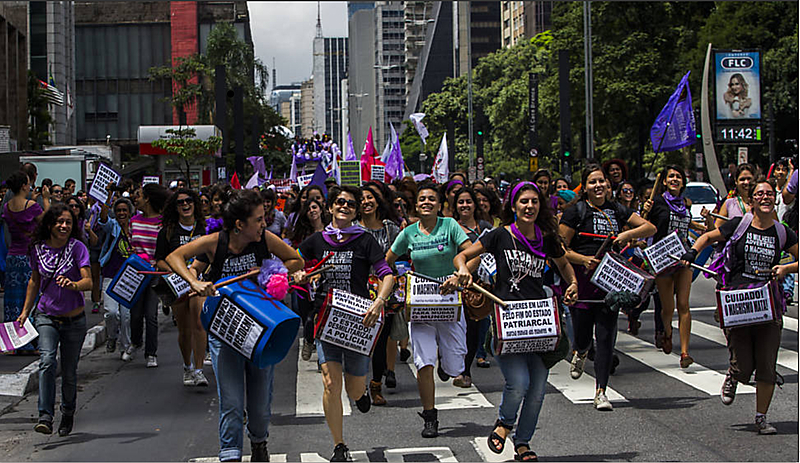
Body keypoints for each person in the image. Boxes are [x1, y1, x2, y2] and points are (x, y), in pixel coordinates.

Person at [166, 189, 304, 462]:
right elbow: (174, 258)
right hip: (225, 330)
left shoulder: (265, 239)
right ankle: (230, 453)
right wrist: (194, 282)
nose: (264, 224)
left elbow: (295, 259)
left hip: (261, 328)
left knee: (260, 400)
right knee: (231, 401)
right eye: (258, 219)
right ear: (240, 224)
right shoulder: (215, 242)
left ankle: (259, 443)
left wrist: (274, 272)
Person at [454, 181, 578, 462]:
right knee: (518, 383)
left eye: (534, 201)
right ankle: (504, 423)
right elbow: (462, 256)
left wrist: (573, 284)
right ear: (513, 205)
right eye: (524, 201)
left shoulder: (546, 238)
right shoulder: (499, 236)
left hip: (538, 323)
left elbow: (564, 265)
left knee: (537, 390)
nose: (530, 206)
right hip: (506, 322)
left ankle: (523, 443)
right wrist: (462, 271)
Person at [685, 179, 797, 434]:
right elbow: (707, 237)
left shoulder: (782, 232)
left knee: (767, 365)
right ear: (753, 200)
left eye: (770, 194)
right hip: (738, 304)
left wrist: (785, 268)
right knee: (744, 367)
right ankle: (734, 374)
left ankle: (761, 416)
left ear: (774, 199)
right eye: (760, 194)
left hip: (769, 306)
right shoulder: (740, 225)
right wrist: (691, 252)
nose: (766, 198)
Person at [294, 185, 394, 461]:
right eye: (340, 202)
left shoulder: (365, 241)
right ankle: (339, 445)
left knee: (354, 388)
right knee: (330, 384)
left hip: (358, 323)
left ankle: (361, 394)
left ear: (356, 210)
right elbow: (294, 264)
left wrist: (380, 301)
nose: (345, 207)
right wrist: (301, 274)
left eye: (351, 204)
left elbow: (387, 275)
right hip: (326, 323)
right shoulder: (316, 241)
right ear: (330, 207)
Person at [559, 166, 655, 410]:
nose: (598, 185)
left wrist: (626, 235)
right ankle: (580, 350)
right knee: (582, 335)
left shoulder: (617, 210)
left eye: (602, 181)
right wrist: (583, 260)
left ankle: (601, 390)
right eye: (593, 182)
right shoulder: (575, 212)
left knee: (606, 337)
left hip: (609, 283)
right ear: (585, 187)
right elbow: (560, 250)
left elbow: (649, 228)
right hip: (582, 281)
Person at [386, 182, 473, 438]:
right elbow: (387, 259)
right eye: (422, 199)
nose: (426, 202)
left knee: (457, 364)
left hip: (449, 302)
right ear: (416, 204)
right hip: (420, 306)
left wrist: (462, 272)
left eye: (431, 199)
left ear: (439, 204)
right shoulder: (409, 232)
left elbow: (471, 252)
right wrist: (395, 278)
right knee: (424, 361)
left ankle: (448, 363)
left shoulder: (450, 227)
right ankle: (430, 415)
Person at [18, 203, 92, 436]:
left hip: (75, 320)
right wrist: (25, 311)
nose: (64, 226)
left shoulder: (78, 248)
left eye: (68, 222)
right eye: (60, 221)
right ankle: (45, 416)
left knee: (69, 372)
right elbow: (34, 281)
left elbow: (88, 282)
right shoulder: (37, 249)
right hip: (46, 317)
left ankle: (67, 412)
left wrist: (74, 285)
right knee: (48, 361)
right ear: (50, 224)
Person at [642, 166, 702, 367]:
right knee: (668, 307)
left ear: (683, 182)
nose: (675, 179)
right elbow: (644, 225)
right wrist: (645, 211)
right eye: (671, 176)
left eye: (678, 176)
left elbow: (688, 226)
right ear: (665, 182)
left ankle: (685, 352)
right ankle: (667, 332)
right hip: (662, 258)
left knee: (684, 304)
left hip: (683, 258)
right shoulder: (657, 202)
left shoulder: (686, 204)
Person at [155, 189, 208, 387]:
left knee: (199, 323)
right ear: (175, 208)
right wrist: (175, 271)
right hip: (177, 286)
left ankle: (200, 369)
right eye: (180, 203)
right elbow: (159, 260)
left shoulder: (204, 229)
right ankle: (187, 367)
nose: (185, 205)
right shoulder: (168, 232)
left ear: (195, 204)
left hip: (200, 282)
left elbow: (212, 254)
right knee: (185, 330)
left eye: (189, 201)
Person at [358, 183, 402, 406]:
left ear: (377, 201)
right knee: (361, 340)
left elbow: (403, 256)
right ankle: (357, 385)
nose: (366, 202)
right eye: (362, 198)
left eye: (370, 198)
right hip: (359, 291)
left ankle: (375, 385)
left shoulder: (390, 229)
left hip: (385, 291)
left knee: (380, 339)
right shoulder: (352, 229)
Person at [451, 186, 493, 388]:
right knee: (455, 329)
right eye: (461, 202)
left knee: (473, 331)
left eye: (468, 201)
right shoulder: (451, 227)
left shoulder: (485, 227)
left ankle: (465, 372)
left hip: (479, 288)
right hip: (456, 285)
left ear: (475, 205)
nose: (465, 205)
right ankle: (449, 364)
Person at [2, 171, 47, 352]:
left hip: (12, 257)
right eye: (28, 184)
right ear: (23, 186)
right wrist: (45, 199)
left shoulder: (7, 207)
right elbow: (47, 220)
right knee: (32, 300)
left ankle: (15, 342)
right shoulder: (32, 206)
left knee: (14, 301)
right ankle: (32, 341)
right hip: (29, 257)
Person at [129, 183, 170, 367]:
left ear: (147, 199)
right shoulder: (134, 221)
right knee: (135, 313)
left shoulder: (163, 223)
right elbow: (131, 244)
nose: (135, 198)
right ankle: (136, 342)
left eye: (138, 195)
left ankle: (151, 352)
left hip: (154, 272)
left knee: (151, 314)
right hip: (136, 272)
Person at [289, 198, 329, 361]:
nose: (312, 211)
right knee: (307, 316)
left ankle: (322, 355)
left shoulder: (330, 232)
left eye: (315, 207)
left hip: (323, 281)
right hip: (303, 282)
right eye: (309, 209)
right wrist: (298, 272)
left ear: (321, 210)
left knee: (320, 314)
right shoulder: (302, 235)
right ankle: (308, 339)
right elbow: (293, 256)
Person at [96, 197, 135, 359]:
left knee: (126, 316)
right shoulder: (113, 226)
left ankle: (125, 347)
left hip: (128, 278)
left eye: (124, 210)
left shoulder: (135, 228)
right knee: (111, 313)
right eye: (118, 210)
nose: (121, 213)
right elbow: (103, 219)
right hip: (110, 275)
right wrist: (107, 197)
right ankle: (112, 337)